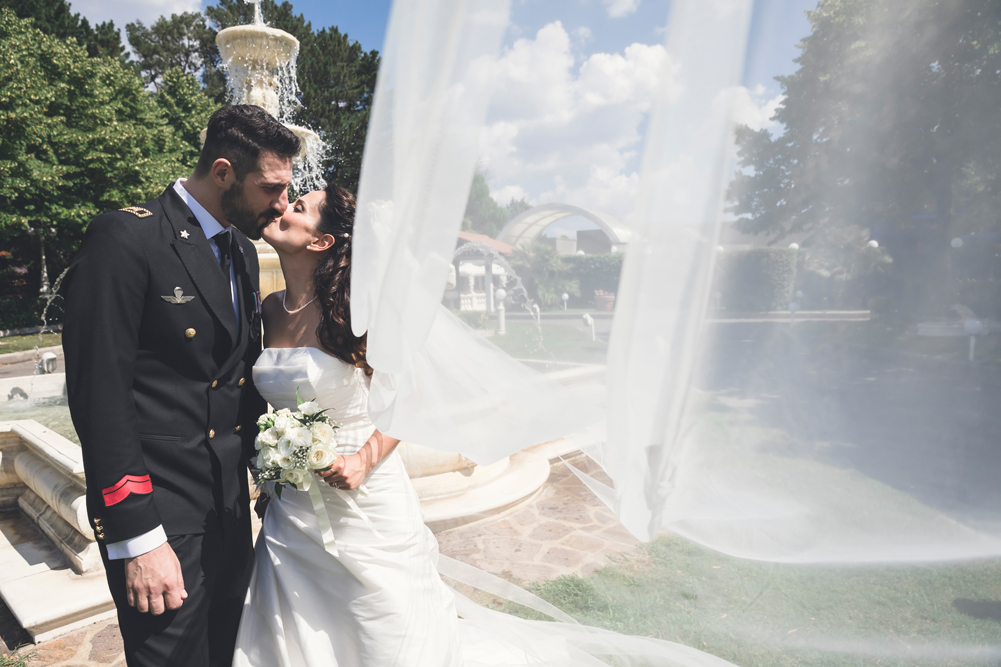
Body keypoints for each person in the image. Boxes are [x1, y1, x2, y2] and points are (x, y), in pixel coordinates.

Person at [233, 181, 741, 667]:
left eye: (298, 207)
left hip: (363, 496)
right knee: (295, 625)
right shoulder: (269, 310)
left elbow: (410, 393)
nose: (282, 209)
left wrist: (363, 461)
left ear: (322, 240)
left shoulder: (356, 311)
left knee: (379, 618)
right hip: (294, 506)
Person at [63, 105, 300, 667]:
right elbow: (100, 398)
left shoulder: (240, 249)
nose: (282, 205)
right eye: (271, 187)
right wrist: (138, 538)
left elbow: (234, 382)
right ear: (223, 173)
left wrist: (269, 474)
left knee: (226, 653)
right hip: (160, 516)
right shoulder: (126, 237)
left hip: (225, 509)